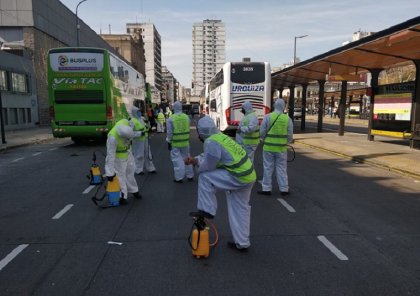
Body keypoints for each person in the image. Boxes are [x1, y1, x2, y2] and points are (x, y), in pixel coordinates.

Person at [185, 116, 256, 252]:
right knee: (240, 210)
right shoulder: (220, 136)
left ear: (201, 132)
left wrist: (196, 165)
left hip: (238, 176)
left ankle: (207, 210)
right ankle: (242, 243)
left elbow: (209, 165)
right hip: (249, 175)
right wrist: (196, 160)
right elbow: (211, 157)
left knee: (205, 177)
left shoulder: (211, 142)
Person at [257, 98, 293, 196]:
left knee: (268, 168)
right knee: (281, 168)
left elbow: (262, 131)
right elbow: (290, 135)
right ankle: (284, 189)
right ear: (283, 107)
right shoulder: (287, 119)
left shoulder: (268, 117)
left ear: (274, 106)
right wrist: (285, 142)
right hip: (281, 149)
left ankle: (266, 189)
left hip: (268, 148)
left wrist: (263, 139)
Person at [105, 118, 142, 204]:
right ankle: (123, 196)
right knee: (120, 176)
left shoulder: (127, 123)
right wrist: (110, 173)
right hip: (118, 157)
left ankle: (134, 190)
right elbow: (110, 156)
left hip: (128, 153)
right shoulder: (112, 137)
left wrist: (139, 133)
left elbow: (132, 133)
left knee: (130, 171)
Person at [166, 101, 194, 183]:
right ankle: (190, 175)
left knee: (177, 160)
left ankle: (179, 178)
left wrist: (169, 141)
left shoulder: (171, 118)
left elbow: (170, 132)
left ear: (174, 108)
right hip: (185, 142)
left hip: (175, 143)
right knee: (187, 158)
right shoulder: (186, 117)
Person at [130, 106, 156, 175]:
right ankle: (138, 169)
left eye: (139, 111)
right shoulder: (132, 121)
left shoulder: (142, 118)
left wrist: (148, 123)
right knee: (139, 155)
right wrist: (140, 133)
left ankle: (150, 168)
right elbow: (130, 133)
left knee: (148, 153)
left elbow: (148, 127)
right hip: (137, 141)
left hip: (145, 139)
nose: (139, 113)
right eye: (138, 112)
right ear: (134, 112)